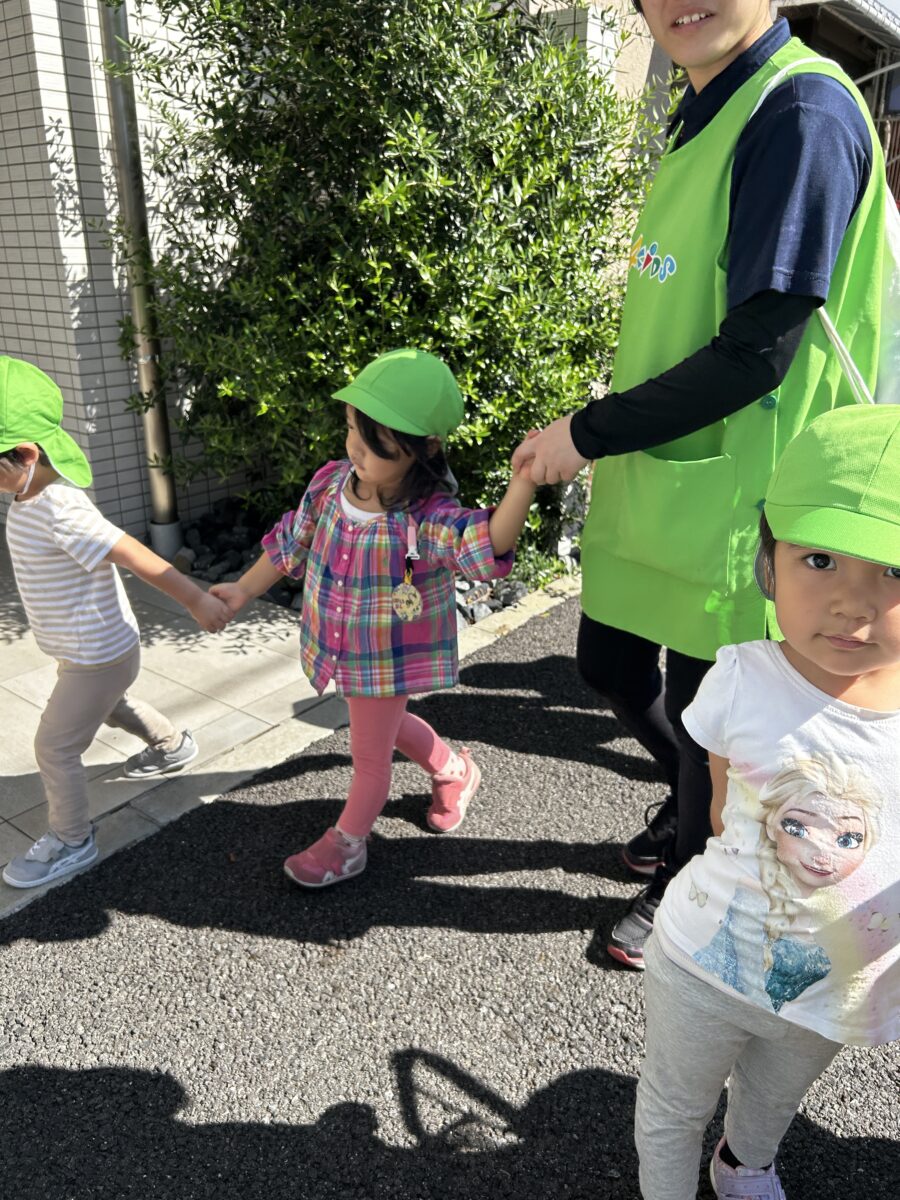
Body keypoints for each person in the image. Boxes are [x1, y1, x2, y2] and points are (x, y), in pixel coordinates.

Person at [512, 0, 889, 967]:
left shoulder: (799, 113)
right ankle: (692, 802)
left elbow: (758, 354)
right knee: (609, 666)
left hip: (740, 488)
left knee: (705, 711)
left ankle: (690, 875)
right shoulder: (706, 104)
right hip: (664, 466)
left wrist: (584, 433)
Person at [634, 404, 900, 1200]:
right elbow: (720, 811)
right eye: (820, 558)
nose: (854, 602)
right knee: (673, 1108)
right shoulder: (740, 678)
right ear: (769, 561)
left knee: (774, 1101)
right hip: (701, 964)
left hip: (835, 984)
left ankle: (743, 1165)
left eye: (896, 570)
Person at [212, 349, 535, 887]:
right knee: (384, 725)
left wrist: (522, 482)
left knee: (369, 759)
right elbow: (292, 540)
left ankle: (347, 846)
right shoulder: (331, 484)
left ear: (424, 448)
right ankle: (454, 769)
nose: (355, 448)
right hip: (343, 645)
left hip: (386, 654)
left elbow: (485, 545)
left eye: (376, 441)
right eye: (351, 429)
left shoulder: (427, 517)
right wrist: (243, 589)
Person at [0, 356, 231, 889]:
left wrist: (196, 599)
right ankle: (172, 745)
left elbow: (134, 554)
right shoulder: (28, 496)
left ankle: (72, 840)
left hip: (97, 654)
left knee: (54, 747)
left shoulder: (59, 508)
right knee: (110, 706)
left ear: (27, 454)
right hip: (88, 651)